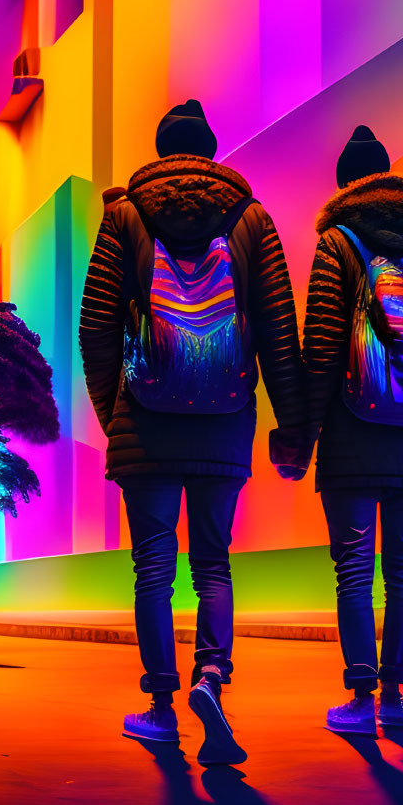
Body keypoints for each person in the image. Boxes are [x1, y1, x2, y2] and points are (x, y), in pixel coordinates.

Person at [79, 99, 302, 765]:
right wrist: (291, 426)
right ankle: (212, 677)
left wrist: (111, 409)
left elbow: (95, 327)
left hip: (144, 420)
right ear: (209, 154)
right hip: (225, 416)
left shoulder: (124, 215)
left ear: (159, 152)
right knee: (212, 562)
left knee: (153, 568)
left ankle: (159, 707)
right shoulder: (250, 219)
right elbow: (278, 333)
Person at [271, 126, 403, 738]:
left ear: (344, 187)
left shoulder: (338, 242)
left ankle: (361, 695)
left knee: (355, 568)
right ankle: (395, 695)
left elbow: (325, 344)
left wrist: (303, 434)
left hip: (353, 429)